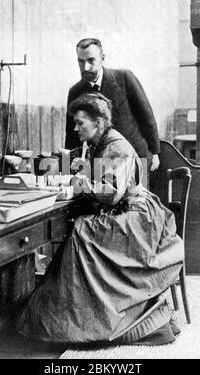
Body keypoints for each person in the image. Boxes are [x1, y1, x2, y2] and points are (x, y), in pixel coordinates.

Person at [17, 93, 184, 346]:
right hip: (130, 212)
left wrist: (82, 181)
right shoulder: (103, 143)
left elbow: (111, 195)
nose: (75, 128)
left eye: (80, 123)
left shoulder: (115, 146)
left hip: (138, 218)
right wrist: (82, 171)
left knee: (82, 232)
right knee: (82, 227)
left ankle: (83, 320)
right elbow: (106, 180)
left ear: (98, 122)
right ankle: (71, 311)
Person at [65, 38, 161, 173]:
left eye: (91, 60)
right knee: (103, 193)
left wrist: (155, 152)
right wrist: (67, 167)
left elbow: (145, 114)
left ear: (102, 58)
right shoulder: (75, 92)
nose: (85, 67)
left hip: (134, 155)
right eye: (81, 61)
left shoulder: (124, 77)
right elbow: (72, 134)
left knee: (134, 194)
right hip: (103, 160)